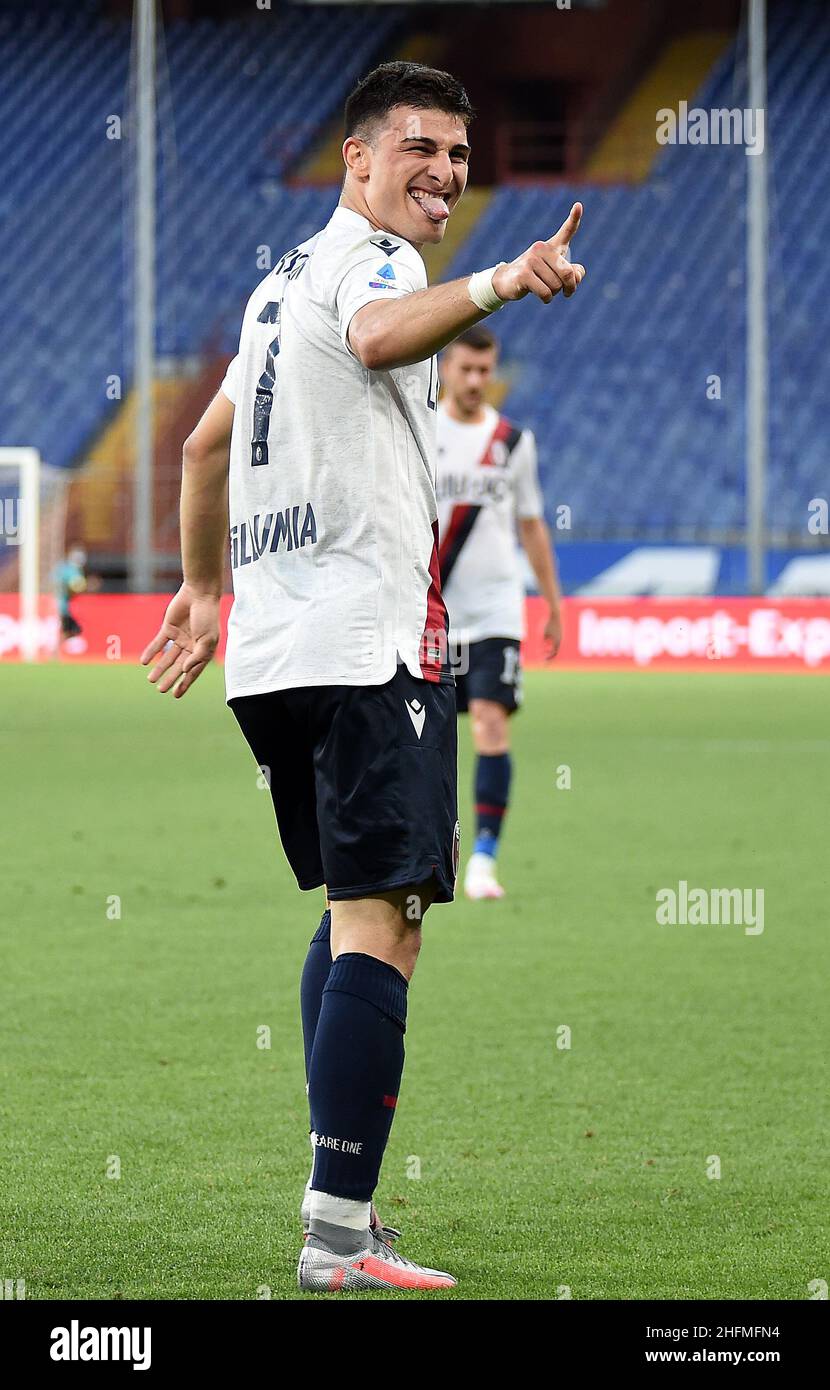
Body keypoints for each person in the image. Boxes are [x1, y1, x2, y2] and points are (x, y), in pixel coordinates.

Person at [141, 59, 585, 1294]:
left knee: (354, 908)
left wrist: (202, 586)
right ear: (358, 156)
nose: (442, 171)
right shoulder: (376, 266)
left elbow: (202, 442)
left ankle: (340, 1201)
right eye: (419, 147)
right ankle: (337, 1232)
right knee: (384, 920)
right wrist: (503, 276)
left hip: (273, 652)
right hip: (362, 641)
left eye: (457, 151)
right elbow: (390, 331)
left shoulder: (277, 282)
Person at [436, 327, 563, 899]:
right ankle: (436, 847)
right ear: (443, 367)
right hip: (429, 615)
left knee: (490, 721)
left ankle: (484, 858)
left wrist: (553, 604)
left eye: (485, 371)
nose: (475, 381)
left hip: (494, 613)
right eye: (465, 369)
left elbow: (531, 524)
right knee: (426, 738)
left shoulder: (513, 444)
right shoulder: (416, 430)